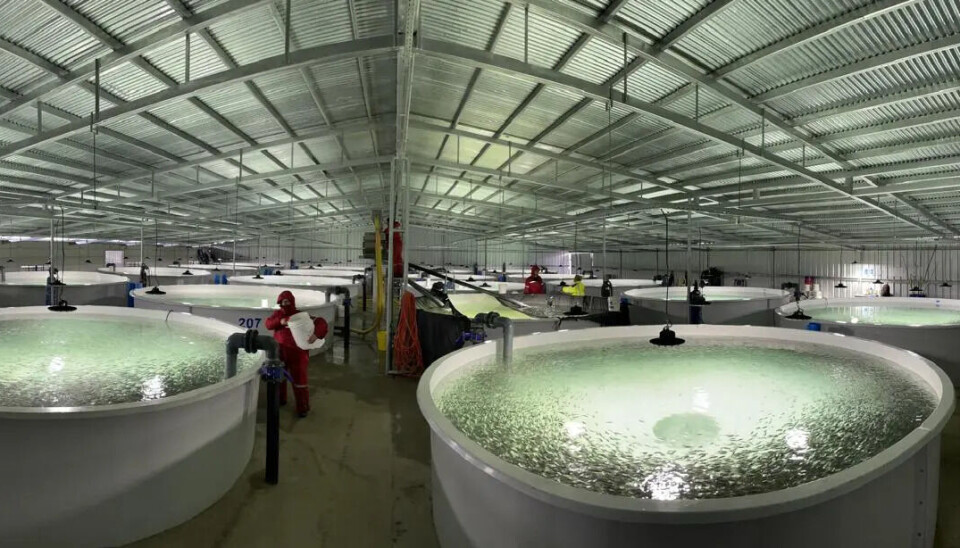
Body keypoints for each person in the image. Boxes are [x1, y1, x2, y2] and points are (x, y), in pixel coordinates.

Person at [264, 290, 329, 418]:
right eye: (282, 302)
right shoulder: (277, 315)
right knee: (279, 378)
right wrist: (281, 321)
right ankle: (280, 400)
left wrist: (316, 335)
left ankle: (302, 407)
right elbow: (268, 324)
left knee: (300, 382)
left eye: (287, 301)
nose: (285, 304)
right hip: (280, 353)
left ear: (292, 302)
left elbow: (321, 322)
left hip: (298, 355)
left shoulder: (301, 316)